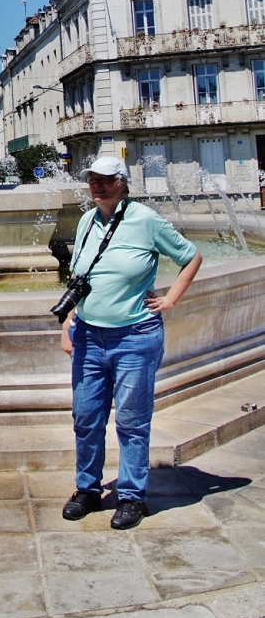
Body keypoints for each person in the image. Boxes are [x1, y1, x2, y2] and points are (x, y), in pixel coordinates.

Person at [60, 156, 201, 530]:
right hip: (89, 334)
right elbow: (81, 278)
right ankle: (87, 489)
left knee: (132, 421)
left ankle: (132, 496)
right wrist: (69, 323)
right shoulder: (86, 221)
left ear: (122, 182)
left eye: (106, 179)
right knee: (86, 418)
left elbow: (190, 257)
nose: (97, 185)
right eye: (92, 179)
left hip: (135, 336)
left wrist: (170, 299)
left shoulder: (145, 220)